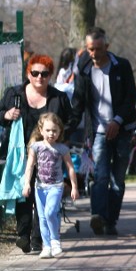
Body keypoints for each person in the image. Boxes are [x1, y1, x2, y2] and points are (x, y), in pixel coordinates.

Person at [0, 54, 78, 254]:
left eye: (44, 74)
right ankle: (23, 235)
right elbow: (0, 114)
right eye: (35, 73)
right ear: (28, 73)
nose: (39, 78)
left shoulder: (58, 98)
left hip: (49, 155)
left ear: (50, 75)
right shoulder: (13, 94)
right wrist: (6, 115)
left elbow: (71, 120)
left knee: (42, 197)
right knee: (24, 193)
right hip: (21, 153)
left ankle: (37, 239)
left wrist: (59, 136)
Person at [71, 28, 136, 236]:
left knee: (117, 179)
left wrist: (118, 121)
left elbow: (130, 98)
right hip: (98, 131)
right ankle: (98, 215)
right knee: (100, 176)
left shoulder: (122, 66)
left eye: (98, 49)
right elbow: (78, 102)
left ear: (107, 47)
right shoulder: (84, 69)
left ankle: (111, 220)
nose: (94, 53)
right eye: (90, 49)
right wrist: (67, 126)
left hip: (122, 130)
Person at [21, 113, 78, 258]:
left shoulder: (62, 149)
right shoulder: (35, 147)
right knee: (42, 217)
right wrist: (26, 183)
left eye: (55, 130)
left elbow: (70, 168)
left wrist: (74, 187)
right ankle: (46, 246)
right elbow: (30, 166)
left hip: (56, 186)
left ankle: (55, 241)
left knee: (50, 212)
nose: (51, 133)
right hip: (40, 187)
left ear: (60, 132)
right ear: (41, 130)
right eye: (48, 130)